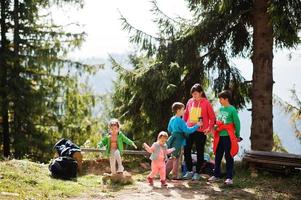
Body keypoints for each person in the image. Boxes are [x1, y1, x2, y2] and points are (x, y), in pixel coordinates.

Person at [183, 83, 216, 180]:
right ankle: (189, 171)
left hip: (201, 132)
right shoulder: (189, 102)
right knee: (186, 150)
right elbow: (185, 115)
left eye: (196, 94)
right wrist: (184, 126)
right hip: (189, 130)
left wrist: (209, 128)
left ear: (201, 93)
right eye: (192, 94)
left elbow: (212, 117)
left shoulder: (206, 103)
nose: (194, 96)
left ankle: (197, 172)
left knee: (200, 152)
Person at [208, 90, 241, 185]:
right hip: (219, 136)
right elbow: (219, 121)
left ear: (226, 99)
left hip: (228, 136)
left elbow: (237, 123)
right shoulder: (221, 109)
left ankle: (229, 177)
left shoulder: (232, 109)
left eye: (221, 99)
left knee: (228, 156)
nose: (219, 101)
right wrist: (215, 127)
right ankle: (216, 175)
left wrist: (237, 135)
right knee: (218, 156)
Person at [166, 102, 202, 180]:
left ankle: (165, 172)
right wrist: (197, 125)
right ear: (178, 110)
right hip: (179, 139)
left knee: (173, 156)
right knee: (176, 157)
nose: (185, 111)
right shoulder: (180, 120)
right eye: (183, 109)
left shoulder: (172, 119)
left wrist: (175, 131)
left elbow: (169, 129)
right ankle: (174, 175)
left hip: (173, 138)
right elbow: (187, 130)